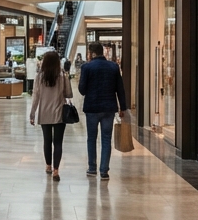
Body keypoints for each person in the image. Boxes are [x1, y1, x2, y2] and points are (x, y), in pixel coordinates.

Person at [77, 41, 129, 181]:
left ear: (92, 53)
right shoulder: (113, 67)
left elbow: (82, 90)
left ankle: (92, 168)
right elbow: (120, 89)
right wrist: (122, 107)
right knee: (106, 139)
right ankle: (104, 171)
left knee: (91, 138)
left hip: (92, 108)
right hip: (109, 108)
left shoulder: (86, 67)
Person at [29, 50, 72, 181]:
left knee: (47, 141)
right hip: (59, 113)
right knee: (58, 143)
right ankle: (56, 171)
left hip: (44, 113)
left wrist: (32, 114)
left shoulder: (39, 77)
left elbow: (36, 96)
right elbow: (69, 93)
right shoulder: (62, 76)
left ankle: (48, 166)